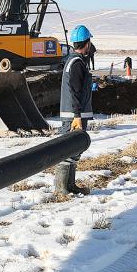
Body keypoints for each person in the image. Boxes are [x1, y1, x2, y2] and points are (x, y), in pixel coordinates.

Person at [55, 24, 93, 195]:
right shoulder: (77, 63)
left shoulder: (75, 61)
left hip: (75, 113)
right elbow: (75, 90)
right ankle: (62, 188)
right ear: (86, 43)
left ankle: (70, 186)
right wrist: (77, 115)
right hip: (73, 115)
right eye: (89, 43)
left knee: (74, 150)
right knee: (66, 151)